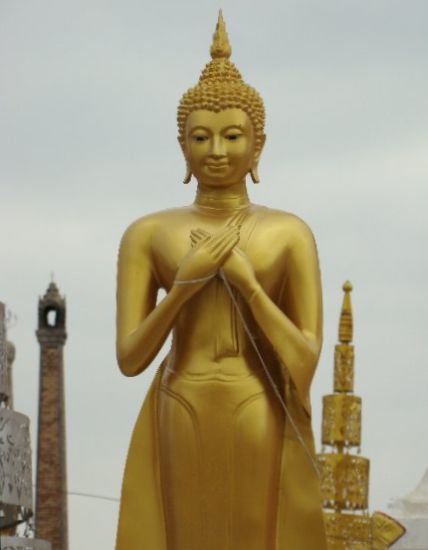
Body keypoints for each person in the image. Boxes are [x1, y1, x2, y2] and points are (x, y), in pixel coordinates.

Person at [115, 11, 327, 550]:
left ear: (258, 144)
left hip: (255, 402)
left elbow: (303, 360)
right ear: (181, 145)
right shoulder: (149, 234)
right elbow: (130, 358)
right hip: (180, 400)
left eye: (233, 136)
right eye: (201, 137)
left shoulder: (288, 234)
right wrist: (185, 285)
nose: (217, 151)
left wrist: (248, 285)